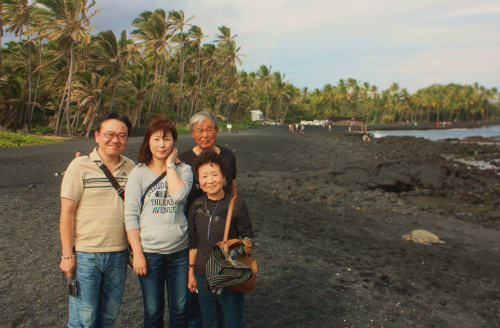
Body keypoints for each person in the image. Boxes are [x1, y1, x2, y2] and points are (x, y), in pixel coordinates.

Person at [59, 112, 135, 327]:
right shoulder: (79, 166)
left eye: (122, 135)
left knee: (109, 316)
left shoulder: (132, 169)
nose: (115, 140)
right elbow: (67, 213)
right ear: (97, 136)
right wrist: (67, 255)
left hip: (119, 255)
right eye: (109, 134)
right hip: (85, 255)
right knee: (84, 318)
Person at [124, 116, 193, 328]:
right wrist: (137, 254)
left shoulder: (185, 170)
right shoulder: (138, 173)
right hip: (150, 253)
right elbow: (130, 215)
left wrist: (170, 165)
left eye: (167, 139)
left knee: (180, 310)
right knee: (153, 312)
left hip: (179, 253)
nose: (162, 144)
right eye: (156, 139)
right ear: (148, 142)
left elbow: (179, 196)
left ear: (174, 143)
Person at [179, 111, 238, 328]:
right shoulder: (183, 160)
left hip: (223, 231)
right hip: (193, 233)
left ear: (217, 131)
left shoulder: (228, 156)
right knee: (196, 286)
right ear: (192, 133)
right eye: (199, 130)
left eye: (209, 129)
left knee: (225, 287)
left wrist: (236, 213)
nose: (205, 134)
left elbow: (232, 186)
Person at [187, 150, 254, 328]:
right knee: (210, 321)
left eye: (214, 174)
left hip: (228, 272)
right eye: (204, 176)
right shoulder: (196, 206)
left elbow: (248, 238)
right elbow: (193, 244)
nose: (210, 180)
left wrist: (230, 255)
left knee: (232, 321)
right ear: (199, 181)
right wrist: (191, 273)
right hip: (202, 274)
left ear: (224, 177)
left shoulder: (236, 204)